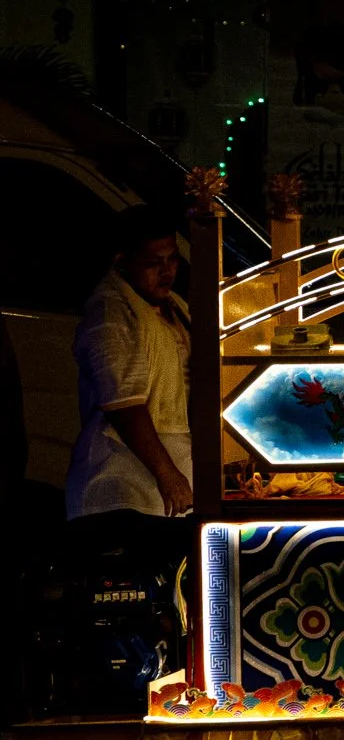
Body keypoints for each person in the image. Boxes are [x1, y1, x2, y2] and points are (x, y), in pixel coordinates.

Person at [68, 206, 194, 554]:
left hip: (176, 475)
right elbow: (123, 403)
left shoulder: (176, 308)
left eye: (172, 259)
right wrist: (167, 474)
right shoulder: (111, 313)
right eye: (154, 262)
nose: (167, 271)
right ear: (123, 262)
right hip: (122, 481)